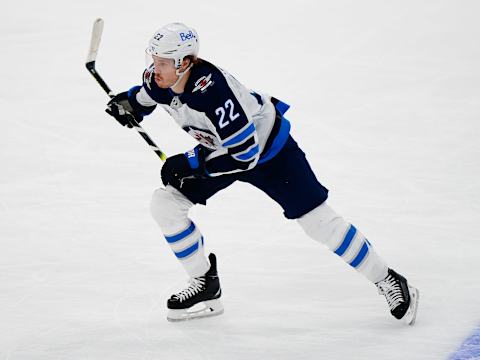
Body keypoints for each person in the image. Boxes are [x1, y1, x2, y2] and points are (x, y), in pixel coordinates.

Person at [105, 22, 419, 323]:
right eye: (154, 59)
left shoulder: (214, 93)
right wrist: (129, 105)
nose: (154, 68)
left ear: (185, 62)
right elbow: (145, 98)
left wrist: (190, 162)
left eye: (163, 62)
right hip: (222, 151)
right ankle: (204, 283)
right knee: (165, 204)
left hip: (269, 153)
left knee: (318, 223)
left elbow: (245, 157)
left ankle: (387, 278)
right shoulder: (160, 78)